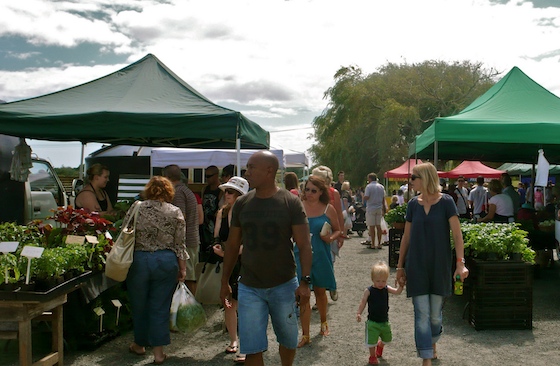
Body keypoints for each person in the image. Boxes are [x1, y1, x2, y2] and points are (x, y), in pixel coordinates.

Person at [219, 151, 312, 366]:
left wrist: (306, 281)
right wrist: (225, 282)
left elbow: (305, 244)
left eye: (252, 167)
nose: (246, 172)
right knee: (252, 348)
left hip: (284, 284)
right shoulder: (243, 204)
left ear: (269, 171)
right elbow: (233, 246)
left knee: (288, 341)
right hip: (249, 286)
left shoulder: (290, 202)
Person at [396, 162, 468, 366]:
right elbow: (406, 237)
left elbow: (457, 234)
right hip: (416, 265)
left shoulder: (446, 202)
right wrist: (400, 266)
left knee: (435, 316)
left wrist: (460, 263)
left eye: (413, 178)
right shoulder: (412, 205)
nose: (410, 182)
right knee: (421, 314)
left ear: (424, 178)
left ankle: (432, 340)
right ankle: (426, 356)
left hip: (440, 265)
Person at [126, 176, 187, 365]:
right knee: (160, 306)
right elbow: (180, 244)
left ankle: (140, 344)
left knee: (139, 304)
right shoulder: (175, 211)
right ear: (169, 192)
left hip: (140, 259)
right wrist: (183, 268)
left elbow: (125, 231)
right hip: (166, 261)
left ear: (149, 190)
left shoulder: (137, 207)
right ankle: (159, 353)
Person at [296, 175, 340, 348]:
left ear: (321, 192)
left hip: (321, 255)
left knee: (321, 292)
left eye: (313, 190)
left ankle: (323, 323)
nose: (309, 193)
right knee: (304, 295)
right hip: (300, 255)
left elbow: (338, 230)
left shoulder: (328, 209)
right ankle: (305, 334)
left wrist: (331, 238)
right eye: (307, 189)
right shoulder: (298, 208)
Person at [213, 176, 249, 364]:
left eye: (231, 191)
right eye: (226, 191)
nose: (227, 194)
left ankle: (245, 346)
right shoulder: (222, 212)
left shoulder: (246, 214)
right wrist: (218, 248)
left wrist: (230, 253)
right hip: (228, 262)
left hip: (245, 263)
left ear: (240, 195)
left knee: (244, 303)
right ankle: (233, 340)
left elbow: (250, 243)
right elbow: (217, 236)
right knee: (229, 302)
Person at [162, 164, 200, 294]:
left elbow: (180, 217)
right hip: (191, 239)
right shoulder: (185, 190)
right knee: (189, 277)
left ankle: (191, 308)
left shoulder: (178, 192)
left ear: (167, 177)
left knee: (188, 278)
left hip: (186, 241)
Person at [356, 261, 403, 365]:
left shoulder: (386, 289)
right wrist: (359, 312)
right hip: (372, 322)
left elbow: (397, 292)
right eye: (378, 281)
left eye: (384, 281)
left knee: (387, 339)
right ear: (372, 279)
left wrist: (401, 285)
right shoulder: (369, 291)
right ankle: (372, 356)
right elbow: (363, 302)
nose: (381, 283)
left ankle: (380, 346)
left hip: (384, 321)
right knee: (371, 342)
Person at [312, 165, 345, 301]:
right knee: (314, 263)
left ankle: (331, 286)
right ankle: (320, 294)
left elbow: (338, 213)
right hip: (315, 231)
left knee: (329, 261)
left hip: (329, 231)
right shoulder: (311, 193)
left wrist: (341, 234)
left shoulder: (333, 193)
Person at [200, 165, 223, 261]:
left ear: (216, 175)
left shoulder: (221, 190)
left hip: (214, 224)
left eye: (209, 176)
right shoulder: (205, 189)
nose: (206, 178)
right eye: (205, 176)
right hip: (205, 224)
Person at [363, 173, 387, 249]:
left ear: (370, 178)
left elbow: (367, 197)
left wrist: (362, 196)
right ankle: (379, 243)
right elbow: (383, 198)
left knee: (372, 227)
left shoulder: (369, 187)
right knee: (378, 226)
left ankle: (373, 244)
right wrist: (384, 208)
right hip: (379, 207)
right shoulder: (381, 187)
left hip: (371, 207)